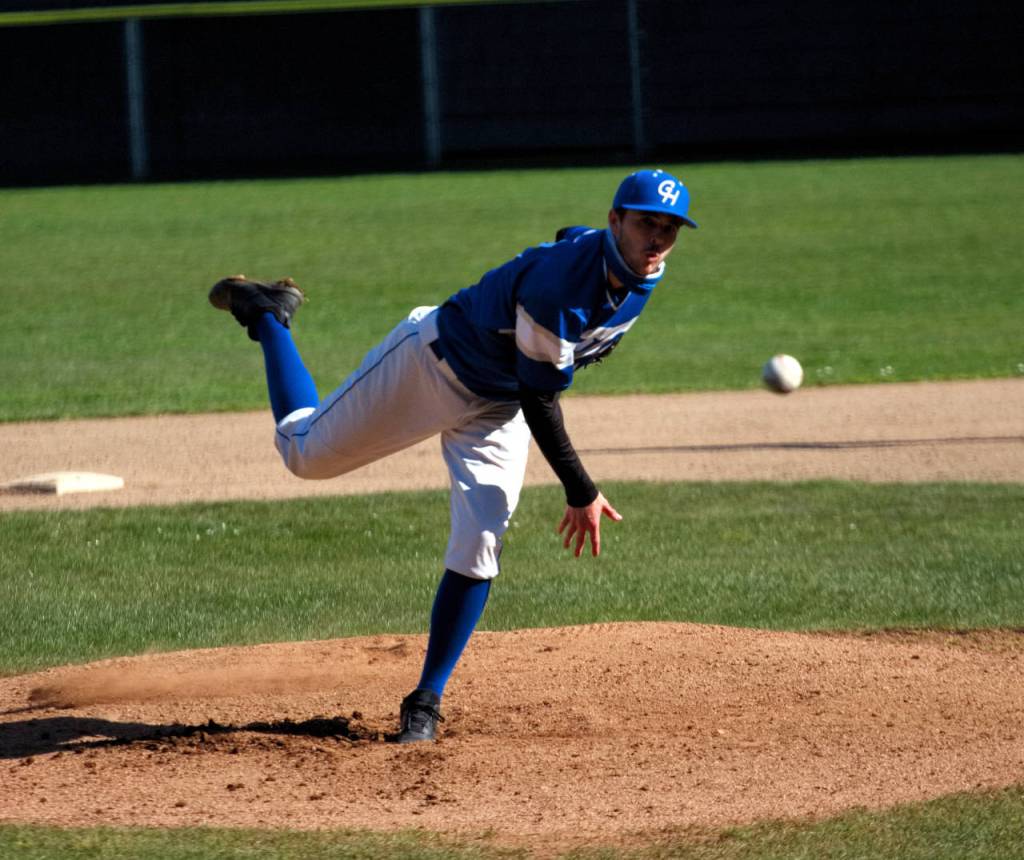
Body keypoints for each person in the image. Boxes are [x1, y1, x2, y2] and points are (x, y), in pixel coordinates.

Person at [209, 168, 697, 743]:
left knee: (482, 538)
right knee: (303, 453)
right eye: (645, 223)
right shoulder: (559, 292)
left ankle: (425, 699)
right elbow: (542, 400)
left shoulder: (639, 265)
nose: (656, 239)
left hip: (499, 405)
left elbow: (570, 236)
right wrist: (581, 491)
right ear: (616, 220)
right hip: (433, 367)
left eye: (669, 228)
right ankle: (268, 315)